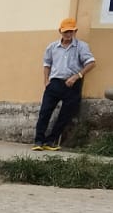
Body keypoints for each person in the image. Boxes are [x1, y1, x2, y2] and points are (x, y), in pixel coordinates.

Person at [35, 18, 96, 150]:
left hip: (72, 84)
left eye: (71, 31)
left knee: (65, 115)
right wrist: (46, 81)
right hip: (54, 83)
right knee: (45, 112)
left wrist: (77, 76)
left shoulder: (81, 46)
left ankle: (51, 141)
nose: (68, 34)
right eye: (66, 32)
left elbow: (91, 63)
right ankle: (38, 140)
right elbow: (47, 64)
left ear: (75, 31)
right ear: (60, 31)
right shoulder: (52, 47)